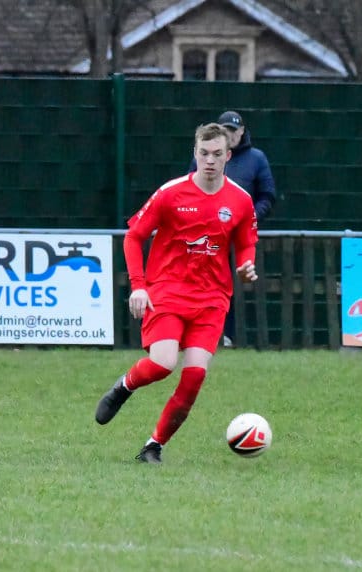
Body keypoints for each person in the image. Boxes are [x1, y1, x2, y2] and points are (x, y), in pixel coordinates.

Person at [96, 123, 259, 464]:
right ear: (195, 153)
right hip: (168, 290)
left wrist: (247, 265)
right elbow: (133, 237)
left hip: (212, 298)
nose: (209, 160)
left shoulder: (241, 201)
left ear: (228, 156)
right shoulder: (171, 193)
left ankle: (153, 446)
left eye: (217, 154)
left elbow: (246, 243)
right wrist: (139, 286)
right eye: (204, 153)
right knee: (164, 363)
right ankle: (125, 386)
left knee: (195, 375)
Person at [189, 110, 275, 347]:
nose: (231, 134)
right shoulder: (205, 158)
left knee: (236, 283)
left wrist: (250, 218)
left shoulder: (256, 158)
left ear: (242, 132)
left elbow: (267, 195)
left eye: (234, 131)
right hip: (208, 233)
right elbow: (191, 188)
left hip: (241, 234)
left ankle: (230, 335)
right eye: (226, 130)